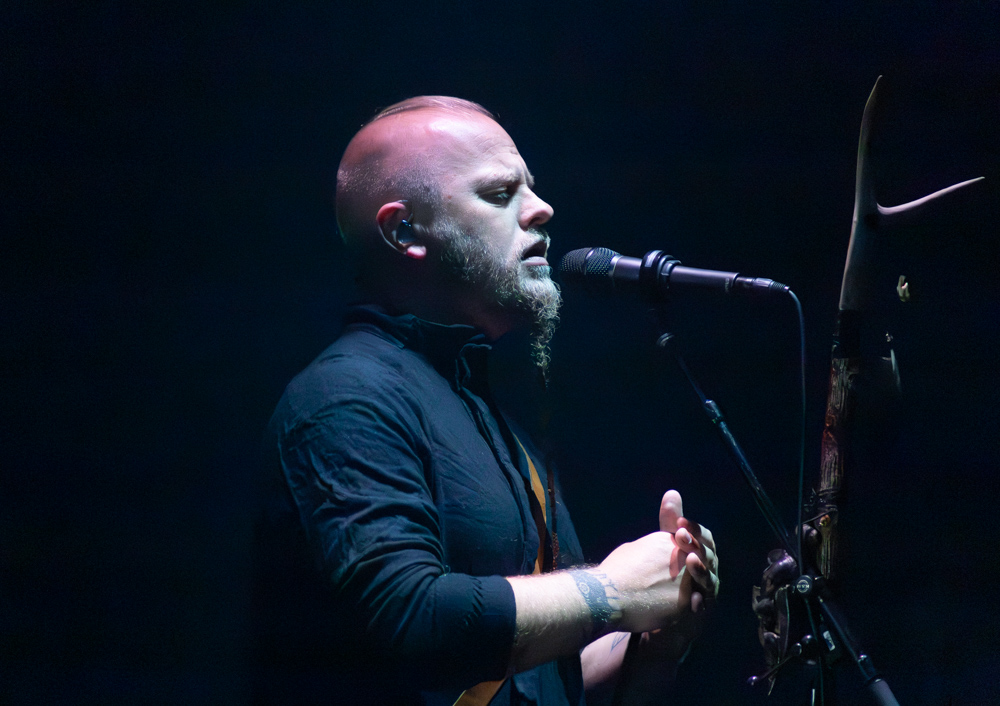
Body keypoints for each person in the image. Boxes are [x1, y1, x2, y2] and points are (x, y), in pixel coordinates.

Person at [254, 96, 719, 705]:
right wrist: (611, 591)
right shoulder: (344, 399)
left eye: (530, 187)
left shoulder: (492, 421)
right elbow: (409, 620)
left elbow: (540, 680)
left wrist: (653, 639)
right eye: (500, 194)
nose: (542, 208)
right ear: (404, 231)